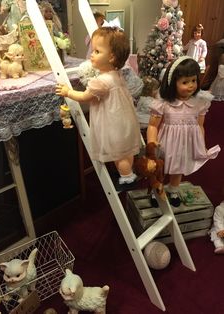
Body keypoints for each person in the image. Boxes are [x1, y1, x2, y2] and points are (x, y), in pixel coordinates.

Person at [56, 27, 141, 191]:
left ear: (111, 57)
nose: (91, 54)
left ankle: (127, 178)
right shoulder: (117, 74)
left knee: (118, 153)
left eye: (96, 51)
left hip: (114, 124)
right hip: (126, 120)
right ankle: (127, 172)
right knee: (125, 151)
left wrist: (68, 92)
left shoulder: (100, 81)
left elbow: (84, 97)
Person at [147, 56, 220, 207]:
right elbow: (153, 125)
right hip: (166, 142)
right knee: (161, 168)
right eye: (185, 82)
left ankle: (173, 189)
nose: (191, 86)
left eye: (193, 80)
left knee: (179, 167)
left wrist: (201, 144)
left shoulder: (199, 102)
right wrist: (152, 144)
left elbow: (200, 125)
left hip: (186, 143)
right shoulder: (164, 102)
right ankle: (155, 191)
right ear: (173, 82)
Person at [210, 187, 224, 254]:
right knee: (214, 233)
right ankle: (219, 246)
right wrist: (220, 230)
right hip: (220, 227)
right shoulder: (220, 208)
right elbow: (217, 220)